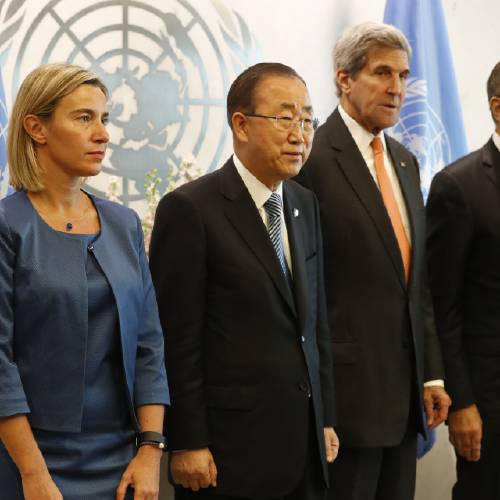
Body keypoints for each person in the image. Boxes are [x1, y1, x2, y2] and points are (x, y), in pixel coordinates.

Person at [149, 62, 338, 500]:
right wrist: (188, 440)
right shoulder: (191, 209)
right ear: (241, 124)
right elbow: (177, 340)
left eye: (308, 118)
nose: (300, 133)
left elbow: (315, 326)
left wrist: (324, 417)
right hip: (228, 456)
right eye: (284, 117)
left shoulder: (304, 204)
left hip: (304, 450)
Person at [295, 22, 451, 500]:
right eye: (383, 73)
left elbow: (414, 280)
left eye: (404, 76)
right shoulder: (311, 157)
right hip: (344, 403)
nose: (397, 88)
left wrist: (431, 372)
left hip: (405, 403)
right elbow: (304, 286)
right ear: (344, 78)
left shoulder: (405, 159)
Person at [0, 63, 170, 500]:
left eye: (104, 118)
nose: (103, 134)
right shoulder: (7, 226)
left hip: (122, 458)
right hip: (27, 460)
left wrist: (151, 451)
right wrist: (34, 475)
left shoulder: (123, 223)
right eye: (83, 118)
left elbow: (149, 345)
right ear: (36, 127)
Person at [426, 61, 500, 499]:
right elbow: (441, 304)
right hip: (489, 402)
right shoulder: (459, 185)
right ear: (497, 106)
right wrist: (464, 403)